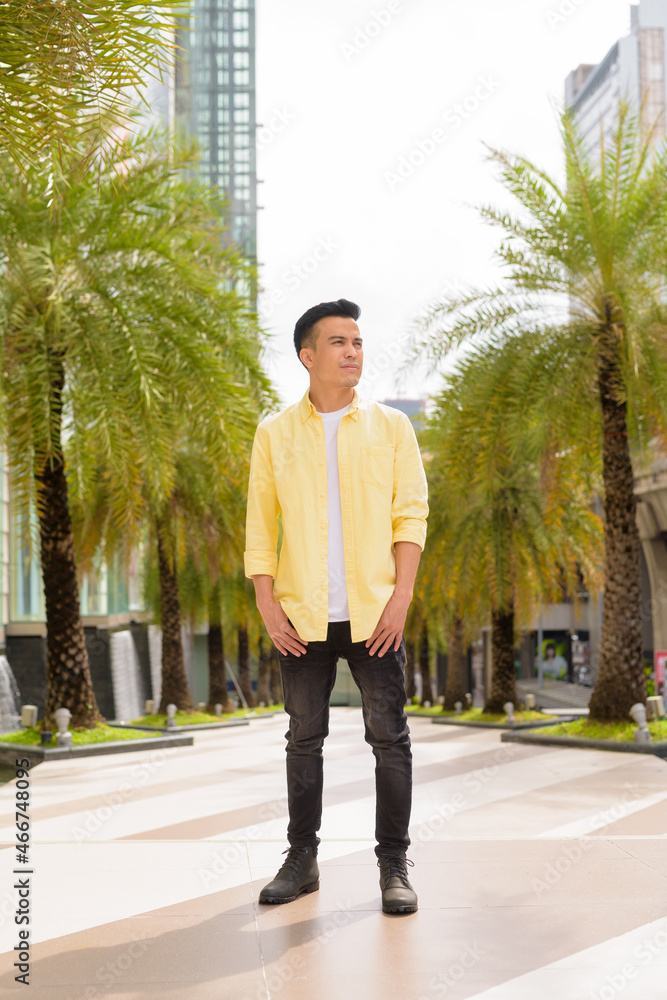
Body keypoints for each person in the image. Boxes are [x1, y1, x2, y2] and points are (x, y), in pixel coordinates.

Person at [244, 298, 428, 914]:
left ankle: (394, 866)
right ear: (308, 355)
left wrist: (401, 598)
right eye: (339, 342)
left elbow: (411, 516)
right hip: (303, 615)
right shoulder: (273, 433)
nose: (353, 351)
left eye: (357, 341)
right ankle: (302, 860)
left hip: (376, 612)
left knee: (390, 739)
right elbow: (258, 529)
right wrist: (269, 607)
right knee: (304, 738)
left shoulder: (392, 428)